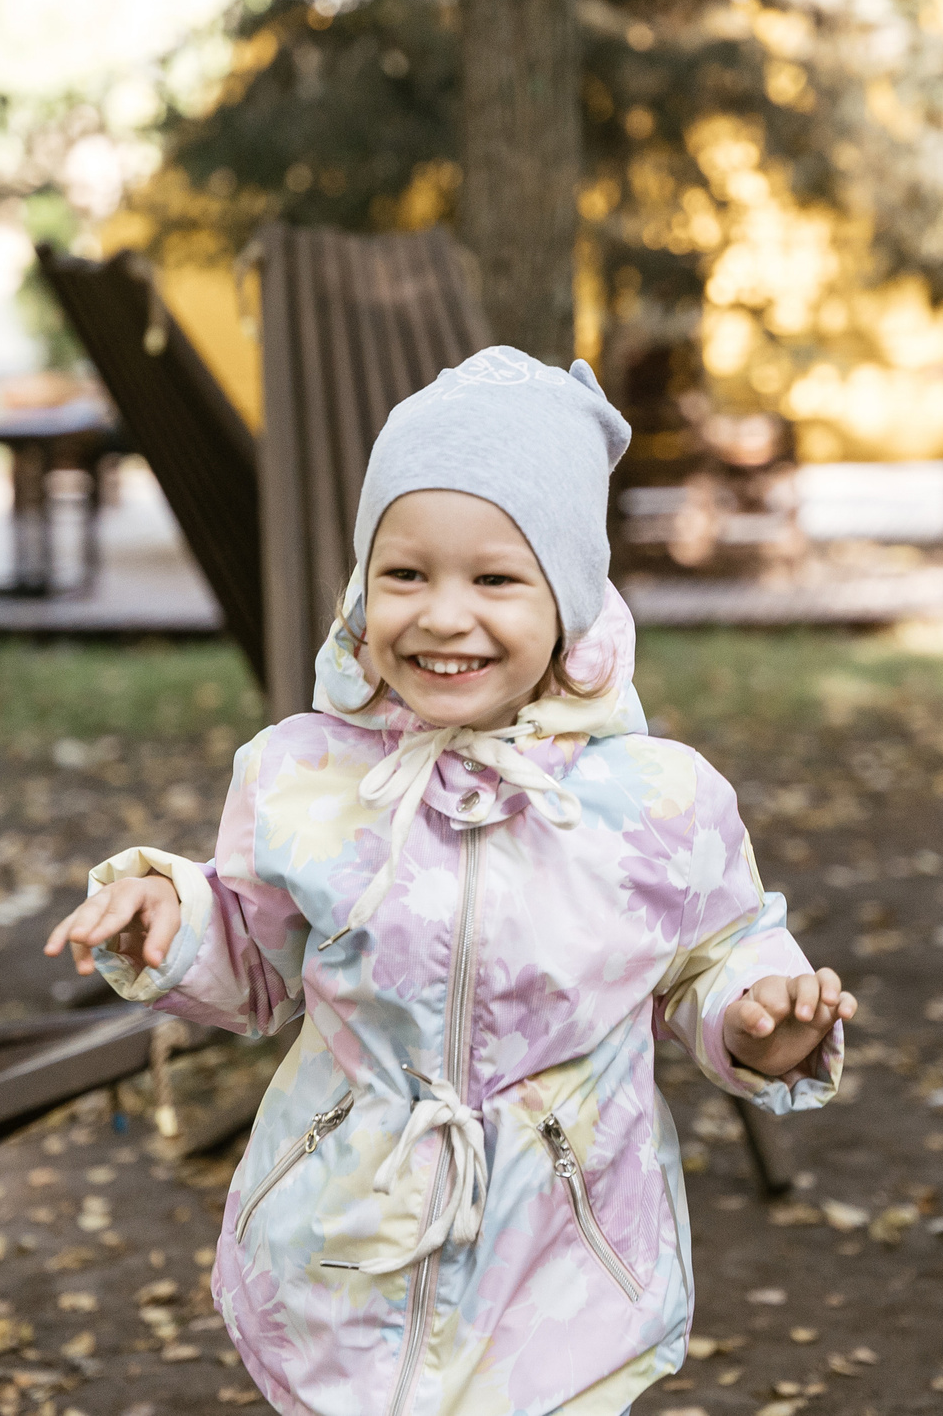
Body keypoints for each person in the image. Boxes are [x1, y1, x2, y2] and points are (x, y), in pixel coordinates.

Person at [45, 347, 852, 1415]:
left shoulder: (657, 802)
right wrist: (175, 916)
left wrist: (755, 1018)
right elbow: (257, 958)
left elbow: (717, 952)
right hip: (345, 1242)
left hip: (563, 1259)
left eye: (495, 579)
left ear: (569, 599)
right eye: (406, 574)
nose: (441, 614)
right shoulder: (304, 776)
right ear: (361, 587)